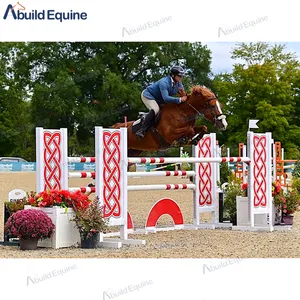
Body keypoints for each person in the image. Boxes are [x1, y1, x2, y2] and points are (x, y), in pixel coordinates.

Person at [135, 66, 188, 139]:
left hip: (159, 99)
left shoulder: (178, 83)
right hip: (148, 96)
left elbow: (183, 94)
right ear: (173, 75)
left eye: (182, 76)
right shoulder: (164, 83)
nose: (181, 78)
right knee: (156, 110)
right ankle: (141, 130)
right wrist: (179, 100)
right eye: (179, 76)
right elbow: (166, 98)